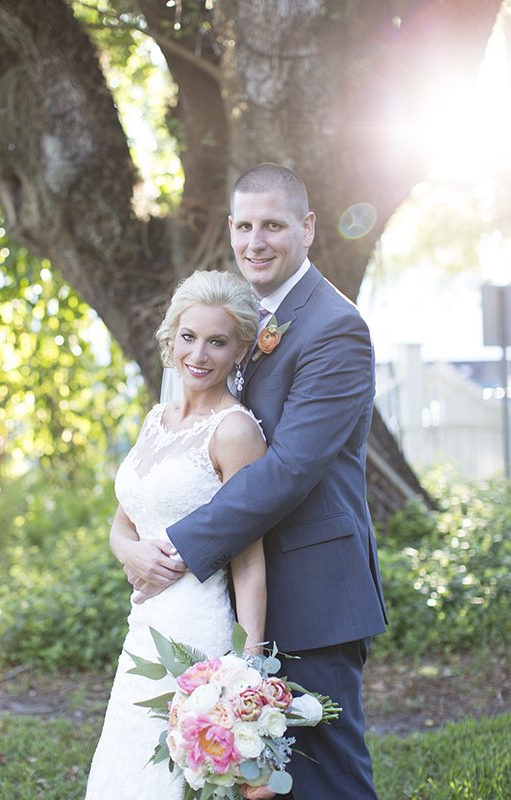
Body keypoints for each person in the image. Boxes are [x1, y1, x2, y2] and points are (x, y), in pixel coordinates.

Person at [123, 163, 388, 799]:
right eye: (243, 225)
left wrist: (177, 547)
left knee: (327, 778)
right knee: (245, 780)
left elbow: (292, 468)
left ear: (308, 228)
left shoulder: (334, 328)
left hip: (310, 589)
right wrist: (136, 542)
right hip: (232, 594)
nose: (255, 241)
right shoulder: (238, 321)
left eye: (273, 225)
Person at [84, 270, 267, 800]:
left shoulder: (235, 431)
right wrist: (130, 552)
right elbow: (125, 519)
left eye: (218, 341)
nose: (200, 354)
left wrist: (251, 664)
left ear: (239, 349)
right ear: (172, 337)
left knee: (180, 772)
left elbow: (249, 553)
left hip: (197, 625)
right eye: (190, 337)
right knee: (131, 758)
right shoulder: (155, 421)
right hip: (145, 621)